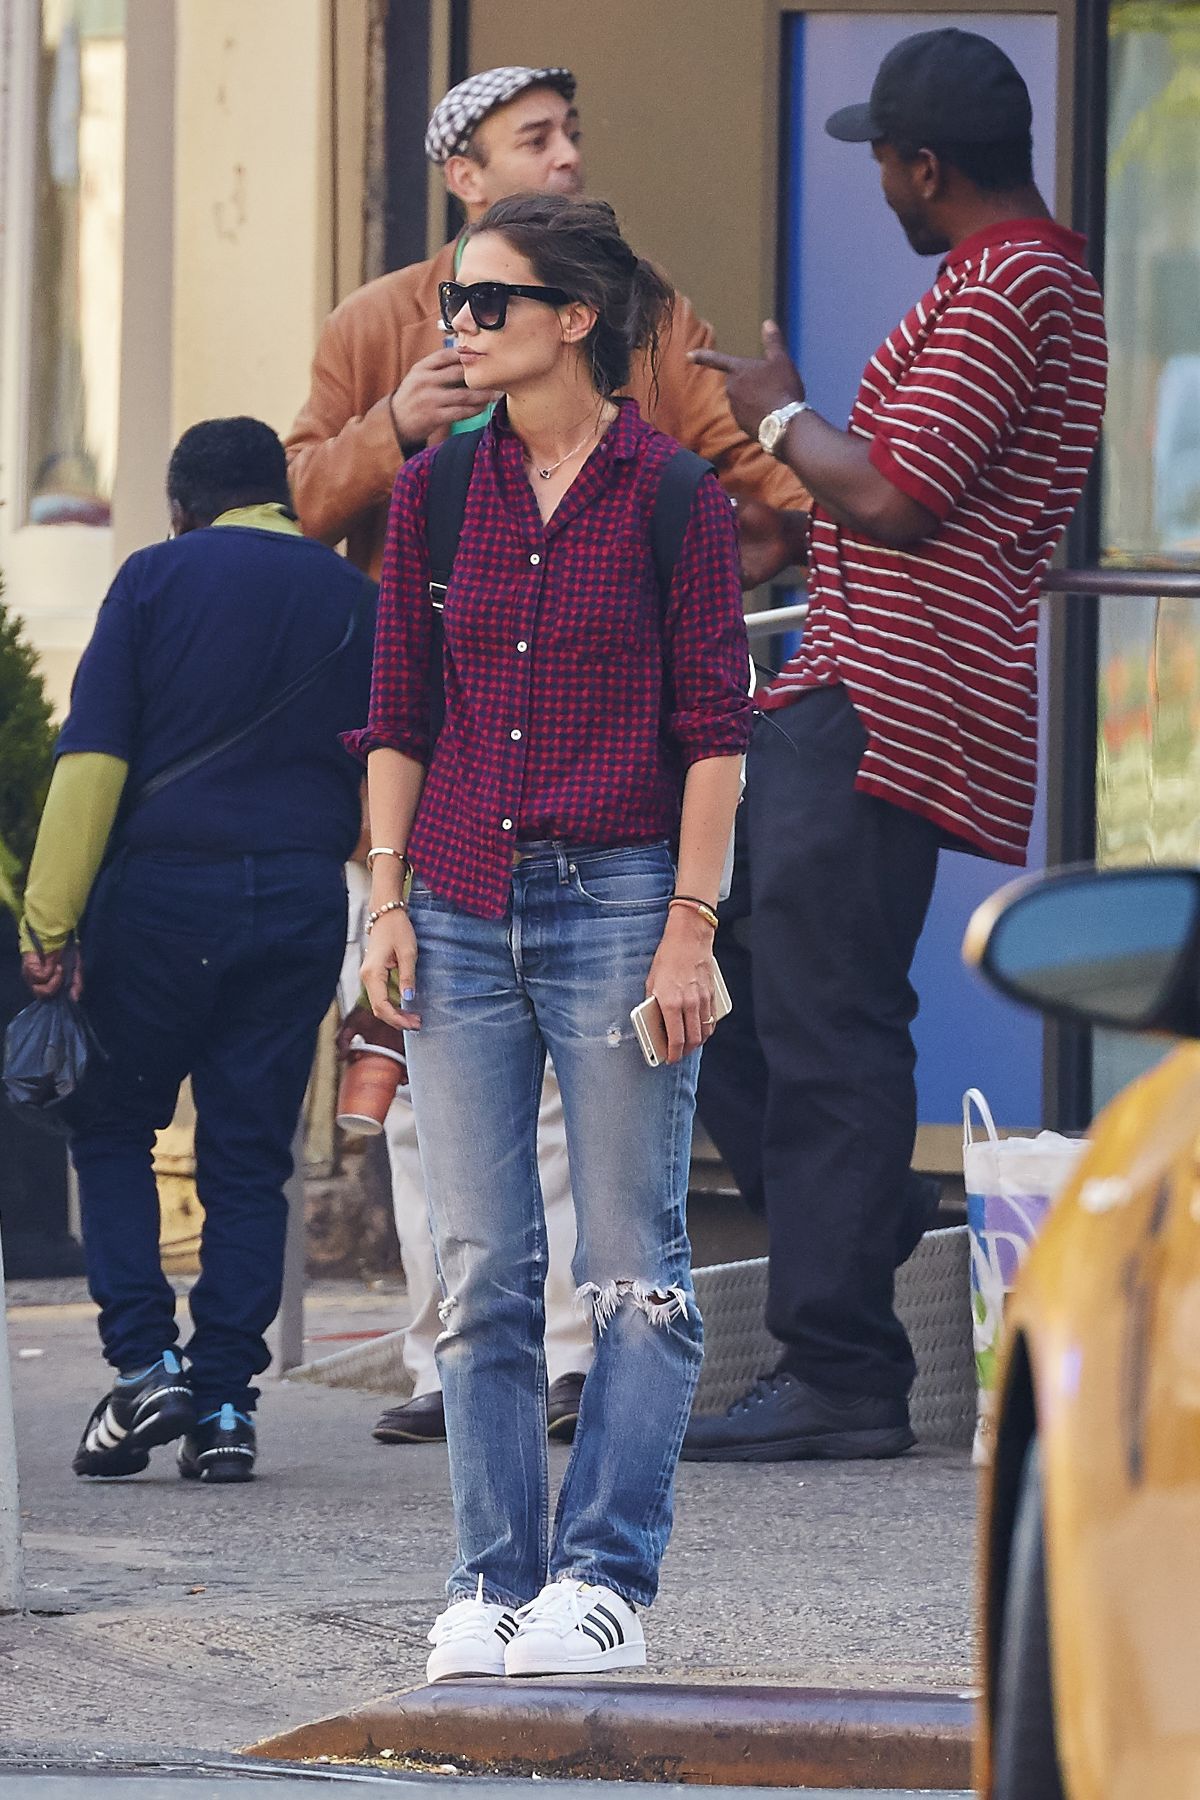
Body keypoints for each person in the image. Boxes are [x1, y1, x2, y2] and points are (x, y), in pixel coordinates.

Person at [289, 63, 809, 1450]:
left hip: (604, 816)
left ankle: (578, 1370)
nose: (567, 156)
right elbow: (301, 499)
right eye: (536, 139)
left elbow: (749, 503)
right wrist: (396, 421)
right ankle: (441, 1368)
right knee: (409, 1107)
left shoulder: (647, 319)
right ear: (462, 172)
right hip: (441, 800)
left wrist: (707, 556)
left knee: (594, 1142)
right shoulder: (376, 334)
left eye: (573, 133)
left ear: (575, 318)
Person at [681, 28, 1107, 1462]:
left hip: (887, 702)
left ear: (926, 166)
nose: (877, 186)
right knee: (736, 990)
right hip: (861, 687)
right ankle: (855, 1230)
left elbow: (901, 497)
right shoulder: (1024, 279)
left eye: (882, 160)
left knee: (820, 1021)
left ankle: (841, 1364)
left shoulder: (1005, 287)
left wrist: (776, 415)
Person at [356, 193, 751, 1679]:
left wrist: (688, 930)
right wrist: (387, 899)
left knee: (637, 1264)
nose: (457, 325)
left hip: (617, 908)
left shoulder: (672, 498)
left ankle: (605, 1582)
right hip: (454, 901)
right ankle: (490, 1577)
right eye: (452, 303)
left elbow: (718, 731)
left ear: (574, 317)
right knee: (480, 1263)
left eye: (485, 303)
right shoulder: (436, 493)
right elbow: (399, 711)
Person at [18, 418, 375, 1484]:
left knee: (114, 1122)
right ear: (285, 500)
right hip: (305, 900)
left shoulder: (154, 581)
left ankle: (144, 1366)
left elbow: (93, 760)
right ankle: (225, 1402)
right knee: (251, 1153)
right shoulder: (354, 600)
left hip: (165, 900)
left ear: (182, 505)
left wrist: (49, 921)